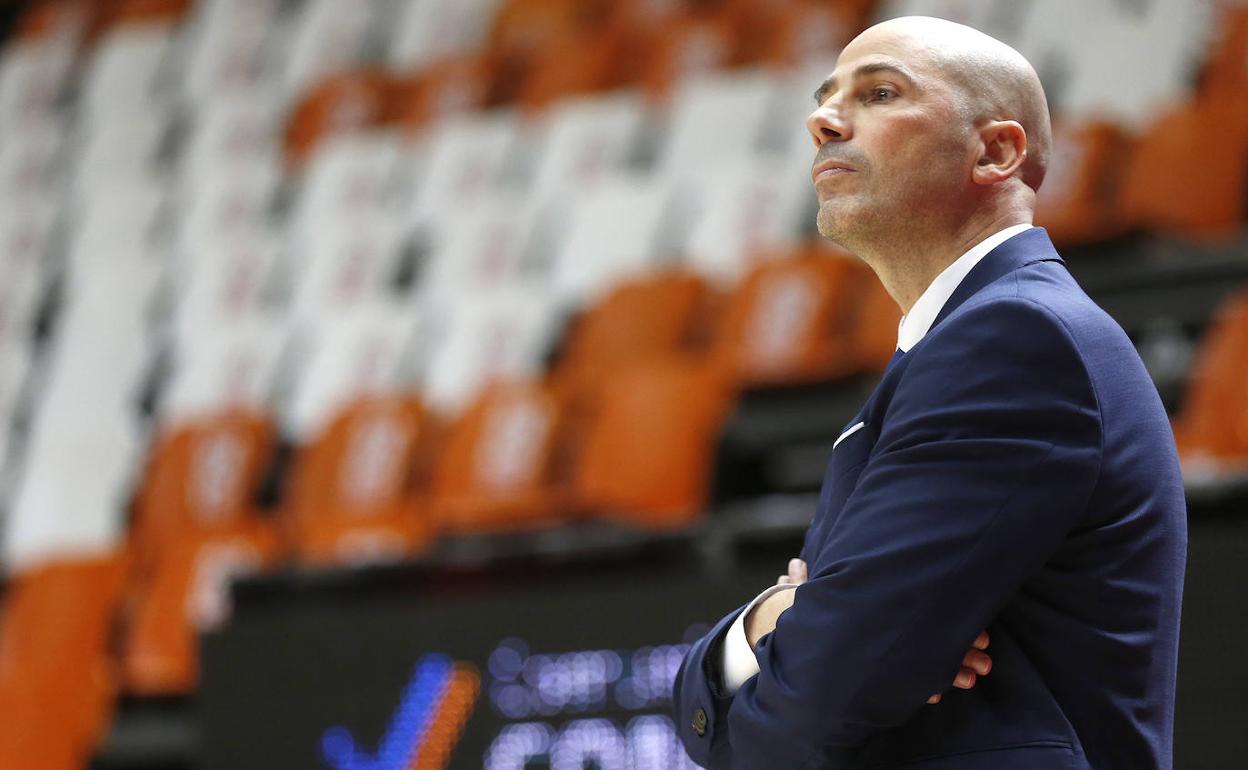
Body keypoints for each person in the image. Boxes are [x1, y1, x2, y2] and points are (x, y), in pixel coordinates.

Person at [673, 16, 1186, 770]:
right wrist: (770, 626)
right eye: (825, 98)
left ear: (997, 151)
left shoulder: (1014, 339)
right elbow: (824, 670)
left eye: (879, 92)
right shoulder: (967, 344)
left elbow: (818, 701)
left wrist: (814, 639)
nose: (824, 120)